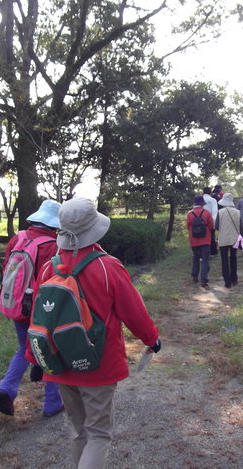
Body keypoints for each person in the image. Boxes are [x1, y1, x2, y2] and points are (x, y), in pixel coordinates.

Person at [28, 197, 161, 469]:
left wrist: (35, 359)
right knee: (99, 432)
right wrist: (151, 338)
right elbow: (133, 311)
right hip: (98, 362)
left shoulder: (47, 268)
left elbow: (38, 318)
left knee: (78, 429)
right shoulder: (107, 266)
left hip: (60, 362)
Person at [0, 199, 64, 418]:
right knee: (51, 349)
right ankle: (53, 402)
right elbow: (57, 281)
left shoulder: (18, 239)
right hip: (42, 309)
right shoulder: (52, 246)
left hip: (16, 305)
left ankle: (7, 387)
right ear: (55, 225)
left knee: (23, 348)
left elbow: (6, 269)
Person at [187, 195, 214, 288]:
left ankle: (194, 275)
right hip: (205, 240)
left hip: (194, 241)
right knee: (205, 260)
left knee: (195, 257)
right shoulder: (207, 213)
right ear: (202, 204)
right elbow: (211, 226)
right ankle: (204, 279)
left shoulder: (189, 214)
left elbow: (188, 226)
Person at [216, 193, 241, 288]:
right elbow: (240, 227)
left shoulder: (220, 212)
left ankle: (227, 281)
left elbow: (217, 226)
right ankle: (234, 279)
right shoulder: (238, 212)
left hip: (223, 239)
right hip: (234, 239)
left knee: (224, 260)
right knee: (233, 258)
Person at [202, 186, 219, 256]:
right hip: (210, 220)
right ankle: (212, 252)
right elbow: (215, 212)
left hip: (200, 220)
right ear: (210, 192)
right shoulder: (213, 200)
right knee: (211, 236)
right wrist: (214, 222)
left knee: (202, 236)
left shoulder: (200, 199)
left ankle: (202, 252)